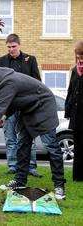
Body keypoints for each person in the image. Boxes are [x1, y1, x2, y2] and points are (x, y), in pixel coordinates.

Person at [0, 64, 66, 200]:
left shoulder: (8, 82)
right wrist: (4, 117)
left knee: (51, 146)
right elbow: (10, 104)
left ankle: (59, 185)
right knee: (23, 145)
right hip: (28, 109)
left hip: (43, 106)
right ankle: (20, 181)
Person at [0, 33, 42, 177]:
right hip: (9, 107)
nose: (11, 49)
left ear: (19, 45)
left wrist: (36, 103)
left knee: (28, 138)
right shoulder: (0, 61)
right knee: (10, 137)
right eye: (8, 47)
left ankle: (31, 167)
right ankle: (13, 166)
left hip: (27, 107)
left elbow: (37, 83)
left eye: (13, 46)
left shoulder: (30, 60)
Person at [65, 40, 83, 181]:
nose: (79, 58)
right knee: (78, 145)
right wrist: (68, 111)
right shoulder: (74, 70)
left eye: (82, 55)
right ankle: (77, 176)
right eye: (77, 55)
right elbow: (70, 91)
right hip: (76, 116)